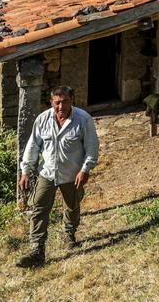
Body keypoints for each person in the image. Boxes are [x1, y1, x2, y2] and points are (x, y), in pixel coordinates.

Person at [15, 86, 100, 268]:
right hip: (47, 172)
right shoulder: (42, 120)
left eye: (65, 101)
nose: (61, 106)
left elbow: (92, 147)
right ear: (51, 102)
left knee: (72, 205)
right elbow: (32, 147)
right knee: (39, 207)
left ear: (72, 100)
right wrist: (26, 171)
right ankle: (37, 250)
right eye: (57, 102)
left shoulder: (83, 119)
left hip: (72, 174)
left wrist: (85, 170)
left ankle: (69, 234)